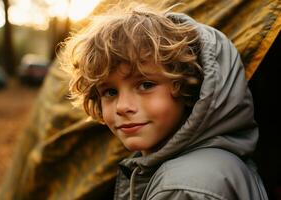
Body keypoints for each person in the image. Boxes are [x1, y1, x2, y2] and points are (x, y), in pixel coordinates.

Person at [61, 3, 268, 200]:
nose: (123, 106)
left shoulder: (184, 187)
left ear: (188, 85)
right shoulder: (213, 166)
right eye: (110, 92)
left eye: (146, 85)